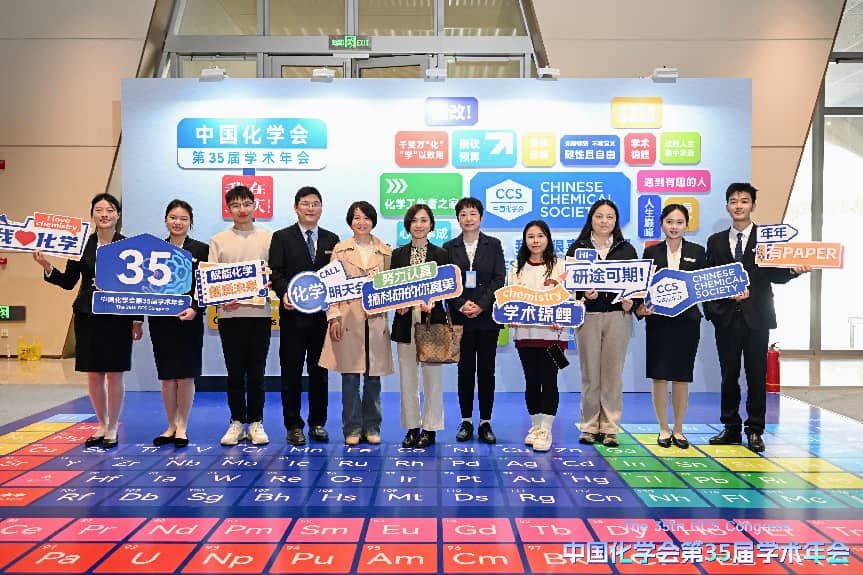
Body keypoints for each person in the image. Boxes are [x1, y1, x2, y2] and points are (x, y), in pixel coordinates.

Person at [705, 182, 810, 452]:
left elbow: (776, 275)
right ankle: (730, 427)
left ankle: (754, 430)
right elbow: (708, 281)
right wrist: (716, 310)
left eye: (744, 201)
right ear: (727, 206)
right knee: (728, 375)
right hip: (726, 318)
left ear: (753, 205)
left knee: (756, 375)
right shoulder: (715, 241)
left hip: (758, 318)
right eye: (733, 201)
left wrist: (794, 271)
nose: (738, 206)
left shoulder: (767, 239)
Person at [33, 193, 143, 449]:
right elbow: (68, 281)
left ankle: (113, 426)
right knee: (94, 375)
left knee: (115, 374)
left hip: (117, 317)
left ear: (118, 214)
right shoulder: (80, 245)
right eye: (99, 210)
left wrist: (137, 320)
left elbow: (138, 287)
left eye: (110, 210)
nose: (104, 214)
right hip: (87, 315)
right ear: (92, 214)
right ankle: (101, 424)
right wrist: (47, 265)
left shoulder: (129, 245)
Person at [269, 186, 339, 446]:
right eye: (306, 203)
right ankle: (293, 425)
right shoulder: (281, 237)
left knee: (320, 373)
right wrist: (285, 293)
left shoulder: (332, 239)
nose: (311, 208)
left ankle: (317, 423)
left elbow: (337, 276)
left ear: (321, 208)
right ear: (296, 207)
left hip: (322, 318)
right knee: (291, 372)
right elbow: (275, 271)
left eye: (315, 203)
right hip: (293, 316)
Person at [319, 201, 394, 445]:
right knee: (350, 379)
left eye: (366, 218)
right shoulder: (340, 250)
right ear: (350, 221)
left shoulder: (385, 251)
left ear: (373, 221)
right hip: (348, 320)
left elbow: (392, 287)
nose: (361, 222)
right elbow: (330, 287)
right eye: (356, 218)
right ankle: (351, 428)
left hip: (375, 322)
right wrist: (333, 317)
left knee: (373, 379)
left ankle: (372, 426)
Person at [566, 199, 639, 448]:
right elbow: (569, 287)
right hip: (588, 317)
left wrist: (632, 302)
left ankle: (609, 428)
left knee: (612, 374)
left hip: (618, 317)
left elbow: (638, 285)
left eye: (610, 217)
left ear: (616, 221)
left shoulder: (626, 249)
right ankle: (588, 426)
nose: (604, 221)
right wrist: (583, 294)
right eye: (599, 216)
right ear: (591, 219)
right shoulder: (578, 249)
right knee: (590, 374)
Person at [637, 204, 706, 449]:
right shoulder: (651, 252)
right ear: (661, 224)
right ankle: (663, 428)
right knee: (659, 376)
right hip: (659, 322)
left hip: (687, 323)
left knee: (681, 377)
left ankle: (678, 429)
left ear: (686, 225)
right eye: (669, 222)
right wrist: (640, 309)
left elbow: (705, 286)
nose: (674, 227)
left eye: (679, 222)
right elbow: (641, 288)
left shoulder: (698, 251)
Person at [209, 185, 273, 446]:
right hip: (229, 316)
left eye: (247, 203)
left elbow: (274, 273)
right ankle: (236, 421)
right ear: (228, 209)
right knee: (234, 372)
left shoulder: (268, 238)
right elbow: (211, 280)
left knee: (257, 372)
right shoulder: (218, 240)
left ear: (255, 205)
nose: (242, 209)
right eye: (236, 205)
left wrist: (269, 282)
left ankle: (256, 422)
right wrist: (223, 296)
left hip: (260, 314)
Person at [444, 198, 505, 444]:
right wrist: (460, 304)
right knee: (465, 370)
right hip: (461, 319)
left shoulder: (494, 244)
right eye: (463, 214)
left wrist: (481, 304)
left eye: (472, 213)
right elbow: (445, 281)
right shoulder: (449, 247)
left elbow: (499, 278)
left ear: (481, 217)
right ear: (458, 218)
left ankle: (485, 422)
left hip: (487, 318)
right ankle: (467, 421)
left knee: (487, 371)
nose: (468, 218)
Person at [149, 199, 208, 449]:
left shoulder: (201, 249)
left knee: (185, 376)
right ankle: (170, 425)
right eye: (173, 217)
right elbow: (145, 286)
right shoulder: (154, 250)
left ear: (190, 222)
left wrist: (195, 309)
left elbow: (206, 286)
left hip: (189, 320)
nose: (178, 222)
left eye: (183, 218)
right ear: (166, 220)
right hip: (161, 321)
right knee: (167, 377)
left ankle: (182, 426)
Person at [391, 204, 449, 448]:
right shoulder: (397, 254)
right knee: (407, 378)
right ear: (408, 225)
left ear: (431, 225)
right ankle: (412, 427)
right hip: (405, 321)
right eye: (414, 220)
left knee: (432, 377)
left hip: (431, 321)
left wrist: (434, 301)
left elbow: (448, 287)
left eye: (424, 220)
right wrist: (398, 304)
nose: (419, 225)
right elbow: (390, 288)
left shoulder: (442, 254)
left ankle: (431, 428)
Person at [508, 220, 566, 452]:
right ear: (524, 240)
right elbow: (509, 300)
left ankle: (546, 429)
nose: (535, 241)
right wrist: (511, 315)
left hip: (554, 337)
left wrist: (561, 317)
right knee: (531, 381)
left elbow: (569, 298)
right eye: (530, 236)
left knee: (549, 380)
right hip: (525, 335)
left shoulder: (560, 266)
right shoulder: (516, 268)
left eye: (540, 236)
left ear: (548, 239)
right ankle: (535, 426)